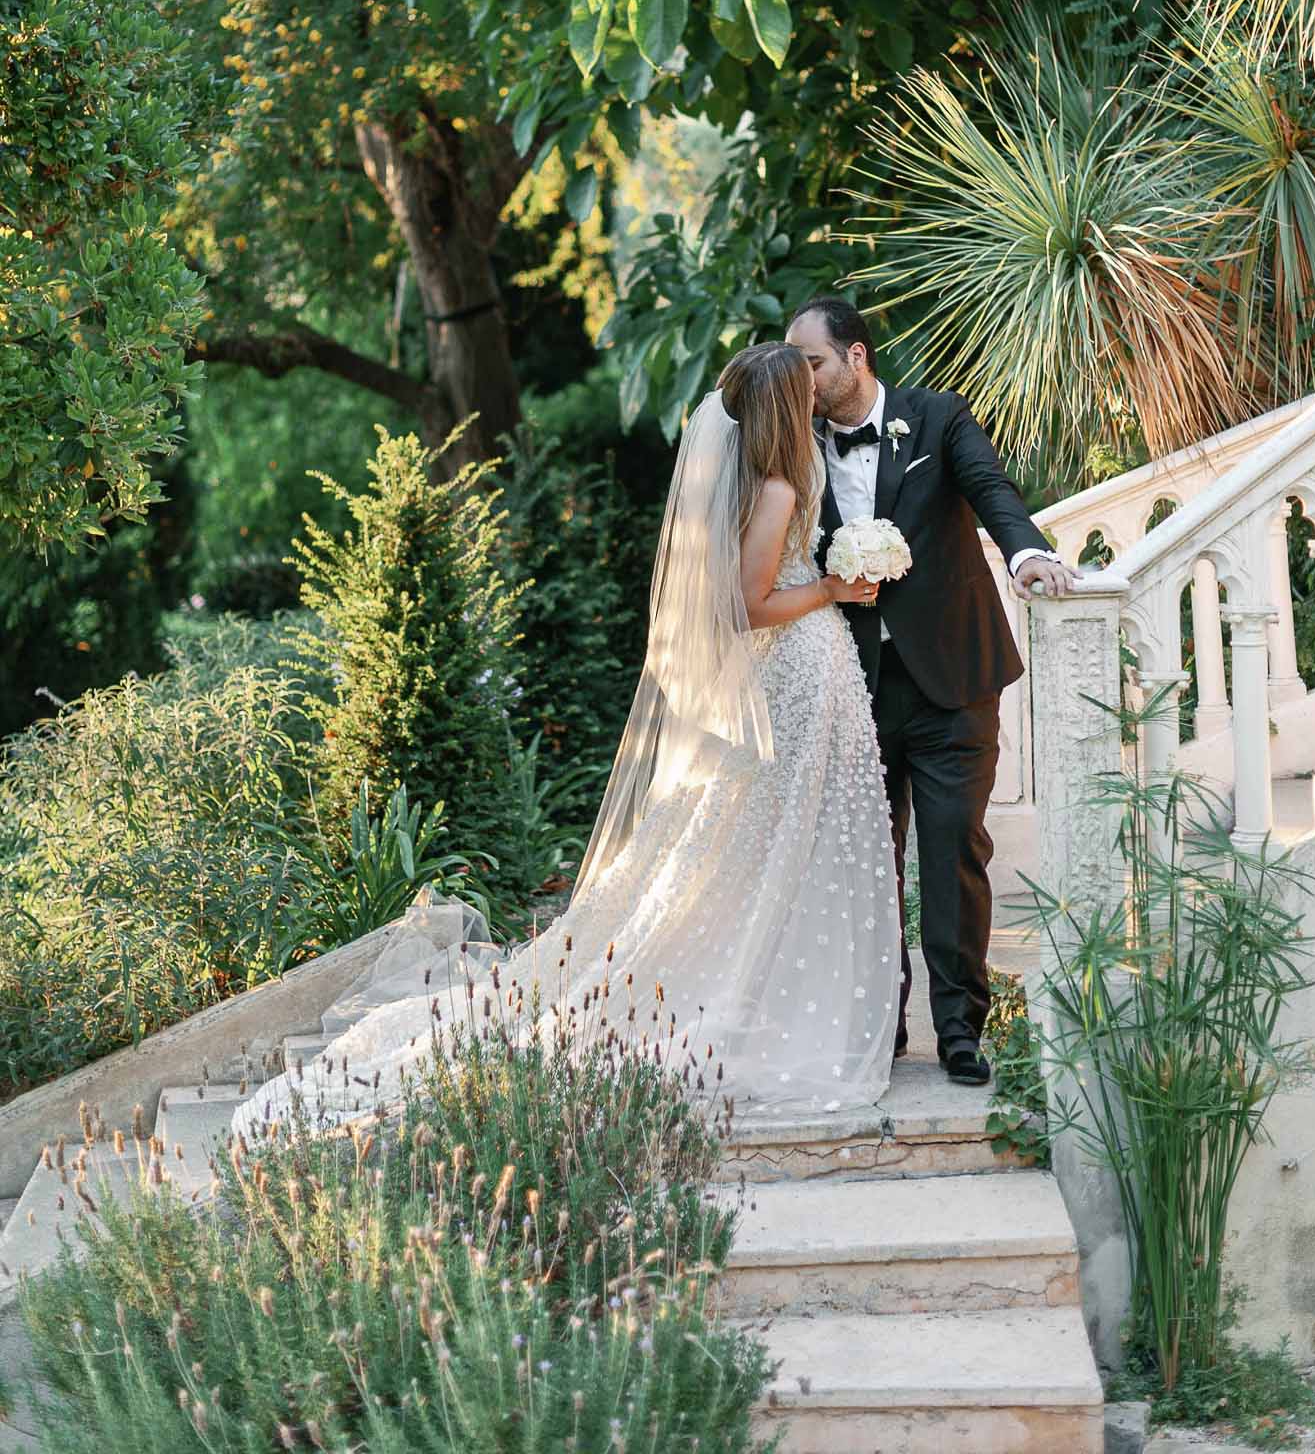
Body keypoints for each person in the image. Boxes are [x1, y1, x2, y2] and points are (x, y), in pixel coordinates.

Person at [233, 342, 901, 1137]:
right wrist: (830, 587)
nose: (815, 397)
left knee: (774, 849)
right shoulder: (779, 489)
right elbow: (742, 604)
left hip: (800, 676)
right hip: (790, 670)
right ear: (785, 410)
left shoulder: (759, 484)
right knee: (772, 846)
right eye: (803, 390)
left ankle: (781, 988)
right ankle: (759, 1000)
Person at [785, 296, 1077, 1087]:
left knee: (952, 854)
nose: (799, 377)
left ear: (855, 357)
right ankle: (879, 1024)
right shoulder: (793, 447)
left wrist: (1025, 558)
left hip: (952, 681)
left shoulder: (937, 416)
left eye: (810, 361)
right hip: (852, 690)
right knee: (866, 867)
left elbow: (992, 491)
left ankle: (959, 1033)